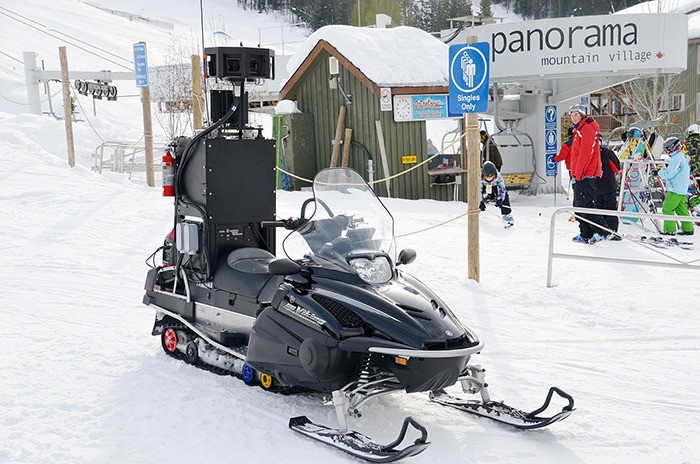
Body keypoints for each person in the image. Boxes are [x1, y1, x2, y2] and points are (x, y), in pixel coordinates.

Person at [568, 104, 605, 243]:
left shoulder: (587, 128)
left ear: (582, 115)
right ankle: (586, 234)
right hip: (578, 174)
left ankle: (604, 231)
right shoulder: (579, 129)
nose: (573, 118)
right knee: (578, 207)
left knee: (586, 205)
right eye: (571, 115)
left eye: (576, 115)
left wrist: (578, 173)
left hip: (585, 174)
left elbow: (586, 153)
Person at [653, 136, 694, 235]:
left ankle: (669, 230)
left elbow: (669, 173)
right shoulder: (681, 157)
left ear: (672, 147)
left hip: (675, 189)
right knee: (681, 210)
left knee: (667, 209)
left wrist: (658, 172)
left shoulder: (676, 158)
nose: (666, 151)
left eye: (667, 149)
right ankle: (688, 229)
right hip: (681, 189)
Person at [595, 137, 622, 239]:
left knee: (598, 208)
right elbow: (616, 167)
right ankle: (612, 231)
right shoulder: (607, 152)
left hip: (594, 185)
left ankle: (600, 230)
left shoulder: (589, 153)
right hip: (608, 185)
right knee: (610, 208)